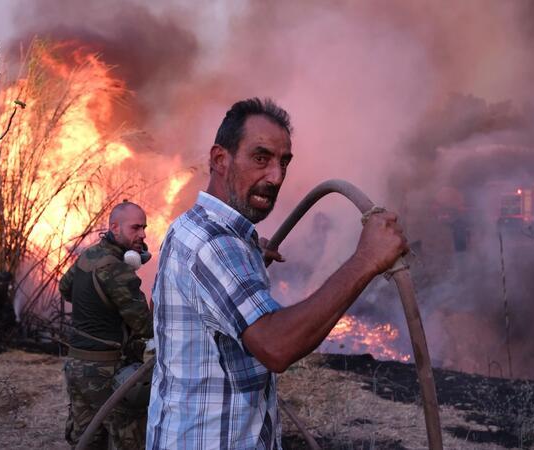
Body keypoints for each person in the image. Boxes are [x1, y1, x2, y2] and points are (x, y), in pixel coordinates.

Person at [147, 98, 408, 449]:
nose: (276, 176)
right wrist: (365, 260)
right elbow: (276, 347)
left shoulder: (193, 228)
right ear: (220, 159)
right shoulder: (214, 245)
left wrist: (250, 255)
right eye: (261, 158)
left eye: (283, 163)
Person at [59, 201, 153, 449]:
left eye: (144, 227)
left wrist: (99, 309)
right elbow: (144, 325)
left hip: (76, 365)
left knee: (87, 438)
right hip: (107, 370)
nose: (142, 234)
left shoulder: (88, 255)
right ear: (114, 227)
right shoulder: (117, 269)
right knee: (129, 438)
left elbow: (65, 288)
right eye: (135, 228)